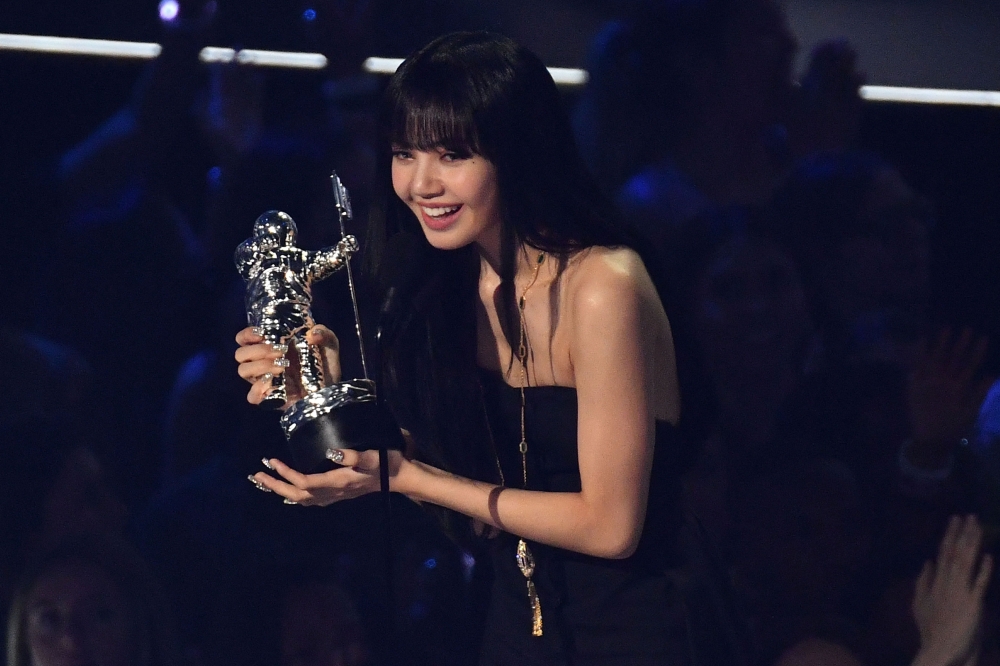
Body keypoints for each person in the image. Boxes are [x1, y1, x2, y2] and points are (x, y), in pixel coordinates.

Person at [237, 32, 696, 665]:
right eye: (404, 153)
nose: (421, 183)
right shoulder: (440, 283)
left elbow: (612, 526)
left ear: (518, 153)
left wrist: (406, 475)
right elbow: (464, 504)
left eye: (452, 154)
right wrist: (324, 392)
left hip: (635, 634)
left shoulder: (602, 287)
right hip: (509, 623)